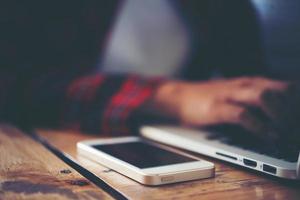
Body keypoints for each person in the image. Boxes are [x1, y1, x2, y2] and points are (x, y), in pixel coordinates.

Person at [1, 1, 299, 145]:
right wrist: (171, 98)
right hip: (52, 147)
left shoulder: (227, 8)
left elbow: (253, 81)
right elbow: (13, 85)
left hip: (177, 145)